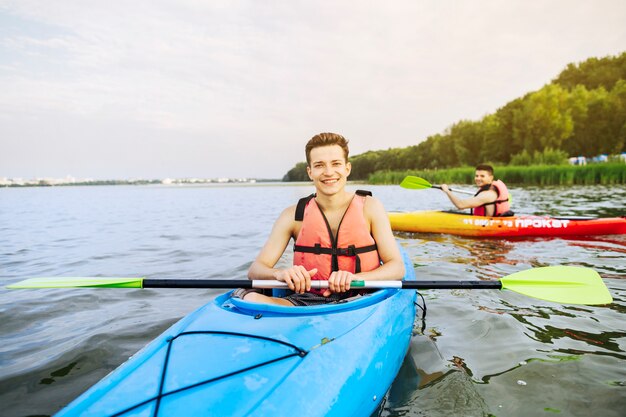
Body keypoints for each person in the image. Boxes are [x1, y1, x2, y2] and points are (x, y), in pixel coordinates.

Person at [237, 132, 405, 306]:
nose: (328, 172)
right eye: (319, 165)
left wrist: (355, 278)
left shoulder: (371, 207)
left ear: (347, 168)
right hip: (308, 299)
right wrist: (279, 273)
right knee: (250, 298)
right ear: (310, 172)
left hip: (365, 297)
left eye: (336, 164)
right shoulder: (292, 215)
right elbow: (256, 270)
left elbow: (397, 267)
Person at [440, 164, 513, 217]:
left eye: (482, 176)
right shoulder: (491, 190)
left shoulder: (487, 195)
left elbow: (460, 205)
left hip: (487, 228)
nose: (478, 178)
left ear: (491, 178)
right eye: (476, 176)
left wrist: (447, 191)